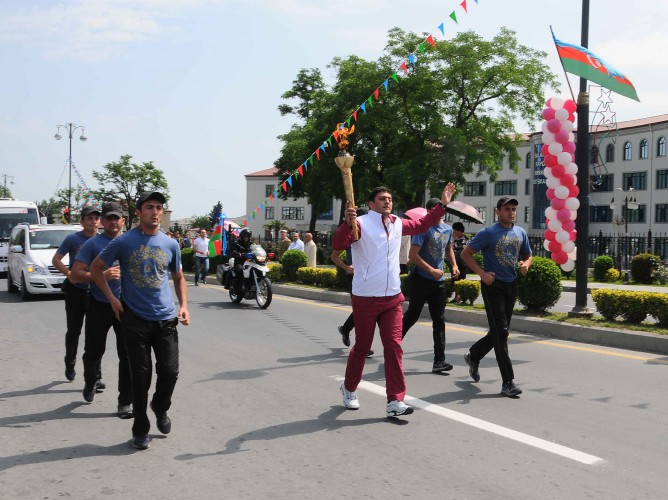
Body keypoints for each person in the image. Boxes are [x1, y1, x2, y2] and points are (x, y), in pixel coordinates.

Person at [333, 182, 457, 417]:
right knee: (362, 347)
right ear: (371, 204)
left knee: (394, 347)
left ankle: (395, 401)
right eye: (381, 198)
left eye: (389, 198)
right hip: (366, 296)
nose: (387, 201)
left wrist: (442, 204)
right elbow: (338, 245)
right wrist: (346, 224)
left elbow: (423, 223)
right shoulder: (360, 223)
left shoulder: (398, 223)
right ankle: (349, 388)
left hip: (392, 298)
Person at [90, 191, 189, 450]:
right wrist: (112, 299)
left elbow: (178, 277)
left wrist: (184, 306)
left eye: (158, 207)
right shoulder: (124, 242)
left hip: (166, 319)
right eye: (149, 207)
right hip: (135, 319)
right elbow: (96, 268)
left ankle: (161, 406)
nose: (155, 212)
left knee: (170, 372)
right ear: (139, 212)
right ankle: (140, 429)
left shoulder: (170, 243)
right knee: (140, 378)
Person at [460, 196, 533, 398]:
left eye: (513, 209)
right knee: (501, 333)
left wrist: (526, 264)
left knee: (500, 332)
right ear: (498, 212)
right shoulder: (488, 233)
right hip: (493, 286)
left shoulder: (520, 232)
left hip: (511, 285)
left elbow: (528, 254)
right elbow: (465, 254)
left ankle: (474, 355)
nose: (511, 212)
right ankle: (508, 382)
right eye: (507, 209)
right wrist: (482, 274)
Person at [69, 202, 133, 418]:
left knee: (127, 355)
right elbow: (75, 275)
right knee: (94, 351)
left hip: (126, 307)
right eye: (109, 218)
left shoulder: (131, 243)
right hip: (99, 304)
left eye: (117, 218)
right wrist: (100, 277)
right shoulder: (93, 245)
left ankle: (125, 402)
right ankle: (90, 381)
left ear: (123, 221)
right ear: (102, 222)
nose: (113, 222)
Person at [401, 198, 460, 373]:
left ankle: (439, 361)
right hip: (421, 279)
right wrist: (431, 269)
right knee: (412, 315)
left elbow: (448, 249)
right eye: (436, 209)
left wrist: (454, 265)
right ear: (428, 211)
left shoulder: (447, 229)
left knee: (439, 320)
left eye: (442, 208)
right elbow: (413, 255)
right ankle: (392, 346)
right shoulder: (422, 228)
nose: (440, 212)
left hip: (439, 283)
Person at [52, 205, 102, 382]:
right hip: (76, 292)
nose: (93, 221)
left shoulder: (104, 240)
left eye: (96, 218)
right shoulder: (73, 239)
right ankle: (70, 362)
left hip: (96, 292)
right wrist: (70, 275)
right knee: (74, 331)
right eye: (89, 218)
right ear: (82, 221)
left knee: (95, 334)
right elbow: (56, 259)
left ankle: (96, 373)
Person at [330, 206, 373, 358]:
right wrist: (347, 267)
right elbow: (334, 256)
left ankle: (346, 329)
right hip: (354, 277)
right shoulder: (348, 236)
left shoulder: (369, 234)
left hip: (369, 277)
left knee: (365, 311)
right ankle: (362, 345)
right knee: (362, 311)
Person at [450, 221, 469, 303]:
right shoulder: (455, 239)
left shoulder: (465, 239)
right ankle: (456, 297)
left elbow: (462, 249)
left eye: (455, 231)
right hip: (455, 262)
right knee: (454, 279)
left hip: (463, 263)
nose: (453, 232)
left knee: (461, 279)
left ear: (459, 230)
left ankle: (461, 297)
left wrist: (453, 241)